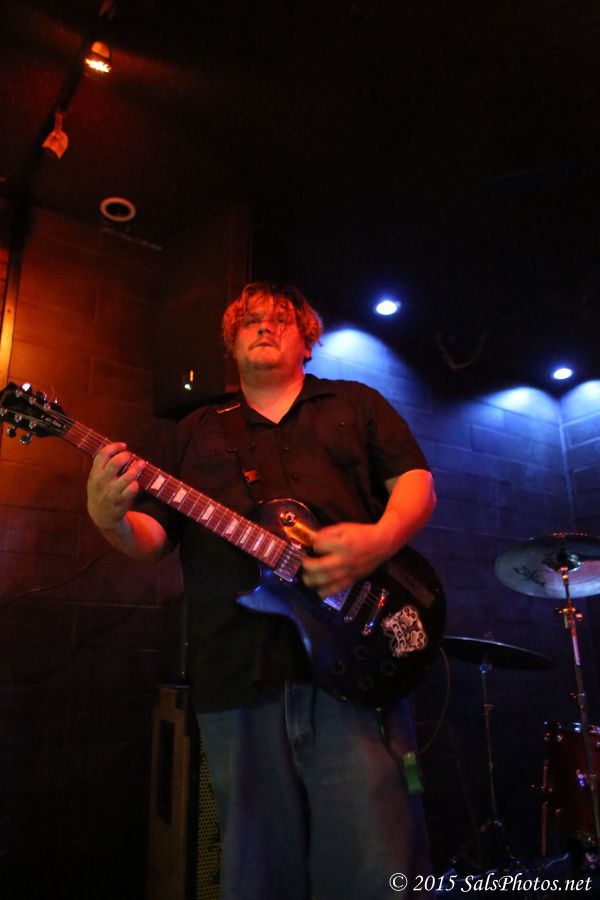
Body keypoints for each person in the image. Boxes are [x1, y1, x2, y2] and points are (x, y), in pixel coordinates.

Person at [86, 281, 437, 900]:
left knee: (375, 869)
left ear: (307, 340)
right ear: (233, 343)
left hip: (357, 669)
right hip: (234, 675)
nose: (264, 326)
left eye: (280, 319)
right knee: (256, 876)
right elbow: (152, 538)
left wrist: (379, 540)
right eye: (249, 321)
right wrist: (110, 519)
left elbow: (417, 482)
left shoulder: (355, 403)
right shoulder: (195, 431)